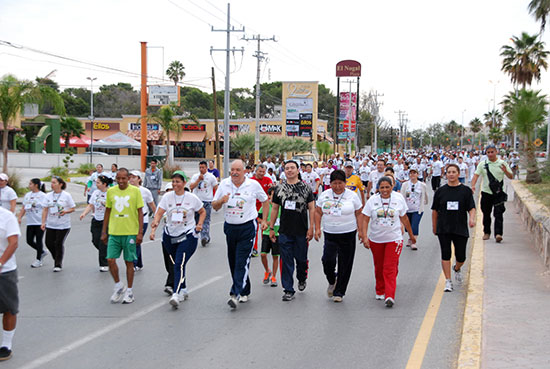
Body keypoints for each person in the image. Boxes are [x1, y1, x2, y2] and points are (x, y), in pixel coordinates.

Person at [212, 160, 269, 309]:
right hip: (230, 227)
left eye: (238, 170)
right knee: (233, 261)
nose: (235, 173)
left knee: (241, 261)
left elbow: (265, 201)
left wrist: (264, 220)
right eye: (232, 170)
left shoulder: (253, 185)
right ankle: (245, 289)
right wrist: (221, 201)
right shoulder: (224, 184)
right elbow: (214, 206)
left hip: (248, 227)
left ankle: (235, 293)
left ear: (244, 171)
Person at [150, 171, 206, 308]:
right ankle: (184, 288)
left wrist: (199, 225)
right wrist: (155, 224)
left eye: (178, 182)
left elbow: (202, 211)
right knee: (177, 263)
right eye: (173, 181)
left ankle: (176, 293)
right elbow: (159, 212)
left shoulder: (192, 198)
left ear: (184, 183)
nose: (175, 184)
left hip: (187, 235)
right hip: (170, 235)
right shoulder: (167, 197)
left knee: (179, 263)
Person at [359, 176, 416, 308]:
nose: (385, 190)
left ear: (392, 187)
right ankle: (380, 289)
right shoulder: (372, 200)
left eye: (387, 187)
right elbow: (365, 219)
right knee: (379, 266)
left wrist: (411, 235)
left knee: (389, 267)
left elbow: (405, 218)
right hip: (376, 239)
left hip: (394, 239)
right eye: (382, 187)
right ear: (378, 188)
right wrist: (364, 236)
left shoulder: (398, 199)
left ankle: (389, 295)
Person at [269, 160, 315, 302]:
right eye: (287, 168)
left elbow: (312, 208)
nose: (289, 170)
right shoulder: (279, 189)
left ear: (297, 170)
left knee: (301, 260)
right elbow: (275, 208)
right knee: (286, 260)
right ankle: (288, 289)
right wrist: (271, 227)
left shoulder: (306, 188)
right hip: (284, 231)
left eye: (292, 168)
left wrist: (311, 227)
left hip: (301, 231)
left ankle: (302, 278)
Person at [314, 169, 362, 302]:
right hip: (330, 233)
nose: (337, 186)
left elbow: (359, 213)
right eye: (334, 183)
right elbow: (318, 212)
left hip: (348, 233)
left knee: (345, 263)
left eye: (340, 183)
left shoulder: (352, 196)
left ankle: (339, 292)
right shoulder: (325, 195)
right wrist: (317, 228)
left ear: (345, 183)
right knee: (327, 260)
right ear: (330, 184)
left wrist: (362, 231)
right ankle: (332, 279)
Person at [101, 168, 144, 304]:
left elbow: (140, 212)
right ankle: (118, 285)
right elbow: (107, 211)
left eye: (123, 178)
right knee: (110, 259)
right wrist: (104, 231)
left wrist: (140, 232)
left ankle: (129, 291)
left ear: (128, 178)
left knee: (129, 262)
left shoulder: (135, 191)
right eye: (118, 179)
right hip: (114, 231)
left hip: (130, 231)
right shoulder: (111, 191)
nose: (120, 181)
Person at [432, 164, 476, 292]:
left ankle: (457, 268)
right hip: (444, 228)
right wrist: (434, 227)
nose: (451, 174)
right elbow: (434, 211)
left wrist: (472, 219)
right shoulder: (440, 191)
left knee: (461, 256)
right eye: (449, 172)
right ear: (445, 174)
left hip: (460, 227)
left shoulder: (466, 191)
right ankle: (448, 280)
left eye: (453, 172)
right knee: (446, 254)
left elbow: (471, 207)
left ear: (458, 174)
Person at [471, 145, 513, 243]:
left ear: (496, 152)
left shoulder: (502, 163)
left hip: (498, 193)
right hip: (486, 193)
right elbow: (476, 176)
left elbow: (511, 176)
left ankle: (498, 234)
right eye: (488, 152)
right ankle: (486, 232)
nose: (490, 154)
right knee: (486, 213)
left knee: (498, 214)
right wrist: (473, 186)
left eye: (492, 152)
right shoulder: (483, 164)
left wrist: (505, 171)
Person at [40, 177, 76, 272]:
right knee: (49, 243)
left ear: (60, 184)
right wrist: (43, 222)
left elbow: (73, 208)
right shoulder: (48, 196)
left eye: (54, 183)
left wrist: (65, 211)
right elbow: (45, 209)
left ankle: (58, 263)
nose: (52, 184)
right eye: (51, 183)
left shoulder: (66, 195)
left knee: (58, 243)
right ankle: (56, 257)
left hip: (63, 225)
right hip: (51, 223)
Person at [80, 175, 113, 272]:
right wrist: (84, 213)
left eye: (98, 182)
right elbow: (91, 205)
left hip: (106, 220)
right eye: (96, 182)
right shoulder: (95, 192)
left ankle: (104, 264)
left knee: (103, 242)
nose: (96, 184)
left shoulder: (111, 193)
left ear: (104, 184)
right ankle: (107, 254)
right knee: (95, 241)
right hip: (96, 219)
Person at [0, 207, 20, 361]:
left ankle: (6, 345)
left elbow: (13, 243)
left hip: (5, 271)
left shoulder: (7, 217)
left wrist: (0, 262)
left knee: (9, 308)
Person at [128, 171, 156, 271]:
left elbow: (152, 205)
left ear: (139, 179)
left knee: (135, 241)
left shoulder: (145, 191)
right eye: (130, 177)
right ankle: (139, 263)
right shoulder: (126, 190)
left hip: (142, 219)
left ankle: (134, 264)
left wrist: (156, 219)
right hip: (130, 219)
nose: (131, 179)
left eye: (134, 177)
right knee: (135, 241)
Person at [17, 178, 47, 268]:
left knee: (38, 240)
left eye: (30, 184)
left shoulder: (43, 196)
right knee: (29, 240)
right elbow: (23, 208)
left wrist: (44, 221)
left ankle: (38, 259)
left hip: (39, 221)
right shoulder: (27, 195)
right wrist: (19, 217)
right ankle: (42, 251)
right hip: (30, 221)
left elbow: (46, 209)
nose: (29, 185)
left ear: (36, 185)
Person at [189, 161, 218, 246]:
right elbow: (191, 187)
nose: (201, 169)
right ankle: (194, 236)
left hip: (206, 201)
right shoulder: (195, 176)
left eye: (203, 168)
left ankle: (204, 237)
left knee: (206, 220)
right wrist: (198, 180)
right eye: (200, 168)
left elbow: (216, 188)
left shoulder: (211, 177)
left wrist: (215, 200)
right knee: (195, 220)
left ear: (206, 168)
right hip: (196, 202)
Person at [400, 168, 428, 250]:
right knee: (407, 226)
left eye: (414, 173)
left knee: (414, 225)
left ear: (417, 174)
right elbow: (402, 196)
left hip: (417, 209)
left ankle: (414, 242)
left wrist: (424, 202)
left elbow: (425, 195)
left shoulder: (422, 185)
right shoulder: (405, 185)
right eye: (411, 173)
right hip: (407, 209)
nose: (412, 175)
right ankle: (410, 238)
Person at [258, 187, 280, 287]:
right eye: (271, 195)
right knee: (263, 254)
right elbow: (258, 217)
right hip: (266, 233)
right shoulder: (265, 207)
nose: (273, 197)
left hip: (277, 234)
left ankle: (274, 276)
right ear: (269, 196)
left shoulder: (281, 207)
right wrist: (264, 222)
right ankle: (267, 270)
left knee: (275, 256)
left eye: (275, 195)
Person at [251, 164, 273, 256]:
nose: (261, 173)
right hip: (254, 206)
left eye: (263, 172)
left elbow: (272, 191)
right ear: (256, 171)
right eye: (260, 171)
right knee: (254, 228)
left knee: (264, 227)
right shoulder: (251, 181)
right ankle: (254, 248)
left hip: (264, 206)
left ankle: (265, 247)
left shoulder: (268, 180)